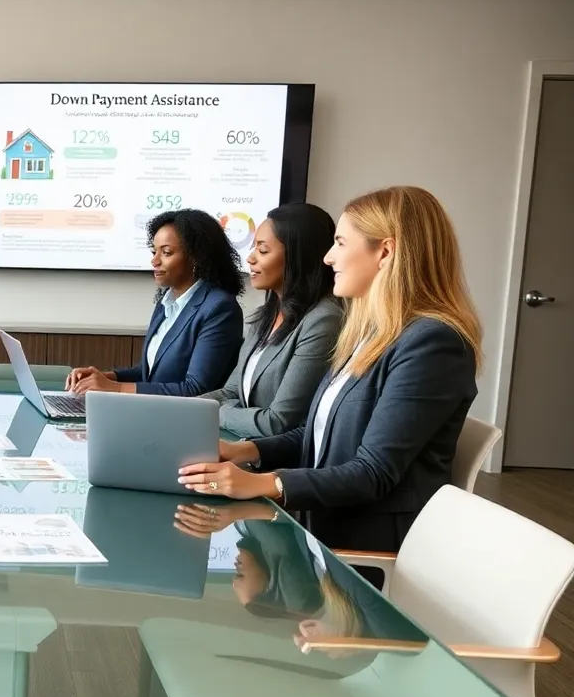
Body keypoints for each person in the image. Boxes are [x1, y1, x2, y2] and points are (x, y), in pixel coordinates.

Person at [176, 186, 483, 556]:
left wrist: (263, 483)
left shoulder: (432, 343)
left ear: (384, 252)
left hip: (366, 544)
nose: (327, 257)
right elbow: (317, 431)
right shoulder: (370, 332)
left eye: (339, 243)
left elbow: (372, 473)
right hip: (320, 520)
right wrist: (243, 450)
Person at [198, 203, 343, 437]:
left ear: (299, 257)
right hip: (240, 441)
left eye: (263, 251)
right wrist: (189, 410)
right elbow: (232, 391)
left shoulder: (324, 319)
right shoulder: (268, 312)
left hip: (279, 461)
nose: (250, 258)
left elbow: (277, 422)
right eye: (254, 247)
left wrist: (214, 413)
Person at [66, 209, 244, 396]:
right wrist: (105, 377)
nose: (154, 260)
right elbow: (149, 374)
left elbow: (196, 389)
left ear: (196, 257)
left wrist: (116, 388)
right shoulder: (166, 302)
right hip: (152, 412)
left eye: (166, 252)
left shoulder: (219, 308)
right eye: (154, 251)